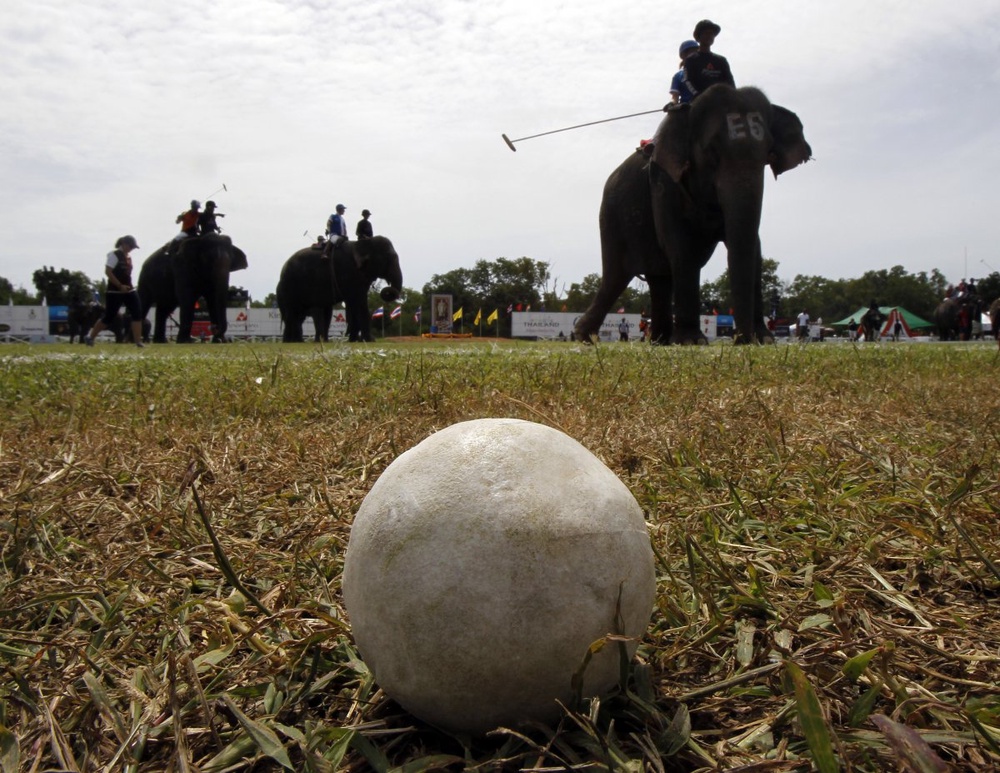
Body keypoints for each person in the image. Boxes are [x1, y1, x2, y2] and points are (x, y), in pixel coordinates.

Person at [86, 235, 145, 348]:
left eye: (133, 247)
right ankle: (90, 337)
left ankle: (138, 342)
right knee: (109, 316)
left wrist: (126, 286)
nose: (131, 249)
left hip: (129, 289)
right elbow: (108, 271)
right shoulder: (114, 255)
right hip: (114, 291)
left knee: (137, 313)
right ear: (123, 243)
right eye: (130, 246)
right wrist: (119, 285)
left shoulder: (128, 257)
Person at [682, 20, 735, 101]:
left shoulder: (721, 60)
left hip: (721, 102)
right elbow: (687, 81)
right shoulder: (691, 60)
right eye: (706, 33)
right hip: (699, 102)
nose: (709, 36)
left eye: (712, 34)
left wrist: (733, 97)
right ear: (699, 37)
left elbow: (730, 83)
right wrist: (698, 95)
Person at [669, 40, 700, 105]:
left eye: (696, 51)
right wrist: (671, 103)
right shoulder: (678, 76)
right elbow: (675, 97)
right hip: (686, 108)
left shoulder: (704, 71)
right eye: (691, 52)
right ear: (683, 56)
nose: (694, 54)